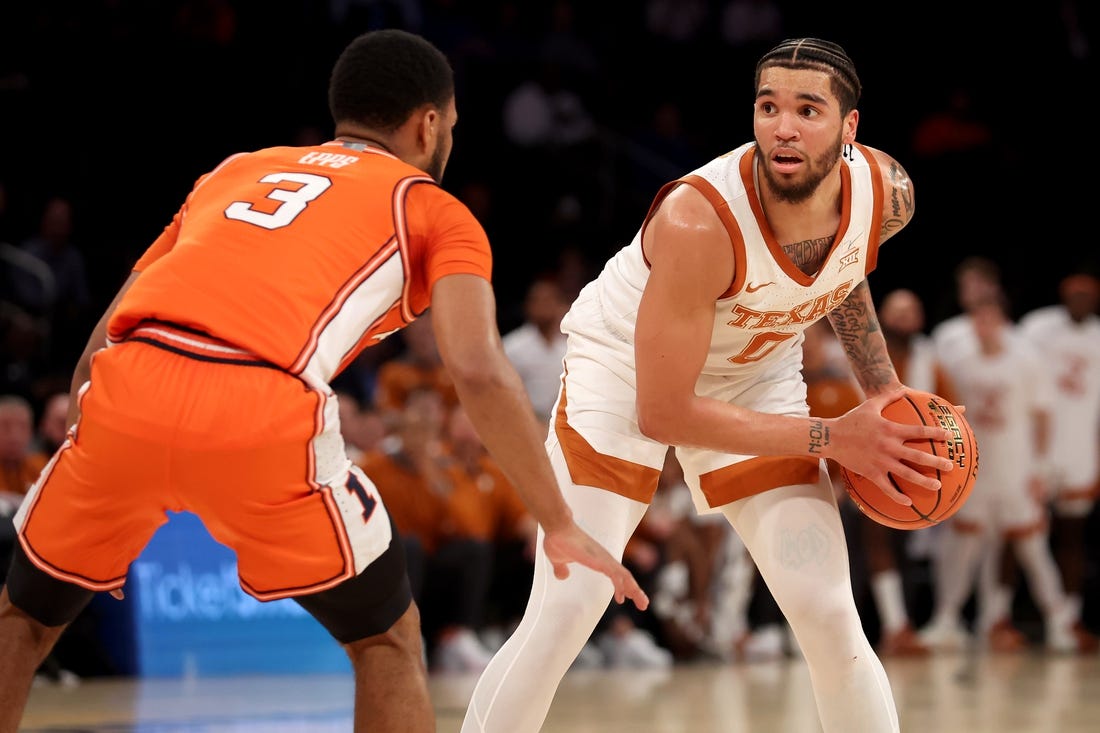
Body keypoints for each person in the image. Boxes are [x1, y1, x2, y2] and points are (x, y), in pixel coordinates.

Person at [0, 29, 647, 733]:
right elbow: (477, 369)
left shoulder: (235, 171)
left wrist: (91, 442)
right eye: (452, 127)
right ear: (429, 124)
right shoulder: (434, 209)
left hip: (128, 381)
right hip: (260, 401)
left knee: (24, 615)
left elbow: (106, 329)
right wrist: (557, 519)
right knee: (387, 639)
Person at [462, 38, 957, 733]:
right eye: (768, 107)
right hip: (629, 374)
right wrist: (835, 436)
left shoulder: (888, 193)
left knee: (827, 612)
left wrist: (882, 392)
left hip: (754, 373)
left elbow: (843, 270)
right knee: (566, 614)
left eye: (807, 110)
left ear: (849, 130)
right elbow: (663, 412)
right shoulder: (699, 219)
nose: (783, 126)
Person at [918, 296, 1079, 654]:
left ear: (1003, 323)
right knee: (964, 546)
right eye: (978, 321)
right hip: (975, 471)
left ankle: (1058, 621)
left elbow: (1043, 415)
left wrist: (1040, 468)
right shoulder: (958, 362)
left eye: (990, 321)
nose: (983, 328)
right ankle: (947, 618)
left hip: (1017, 469)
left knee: (1032, 548)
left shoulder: (1026, 361)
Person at [1018, 269, 1100, 650]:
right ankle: (998, 616)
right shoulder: (1037, 328)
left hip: (1079, 450)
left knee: (1073, 537)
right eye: (1075, 294)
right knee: (1017, 536)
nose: (1080, 300)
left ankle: (1066, 621)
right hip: (1033, 449)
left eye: (1088, 295)